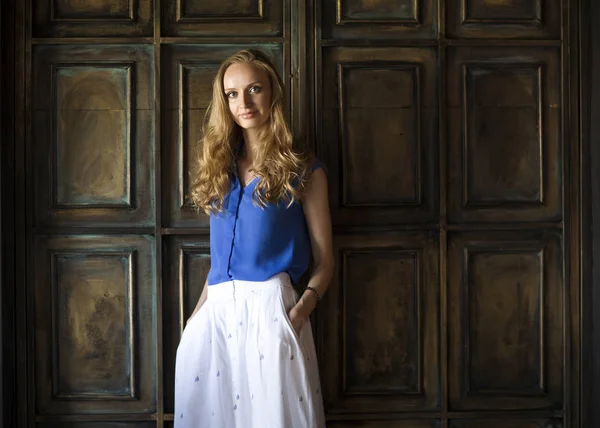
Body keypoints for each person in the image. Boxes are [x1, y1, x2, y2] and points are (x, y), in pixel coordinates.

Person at [174, 49, 333, 428]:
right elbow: (218, 264)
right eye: (231, 93)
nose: (243, 102)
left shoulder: (303, 170)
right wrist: (194, 322)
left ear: (272, 93)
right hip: (215, 316)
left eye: (254, 89)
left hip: (272, 314)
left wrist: (295, 316)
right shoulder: (219, 170)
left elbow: (326, 261)